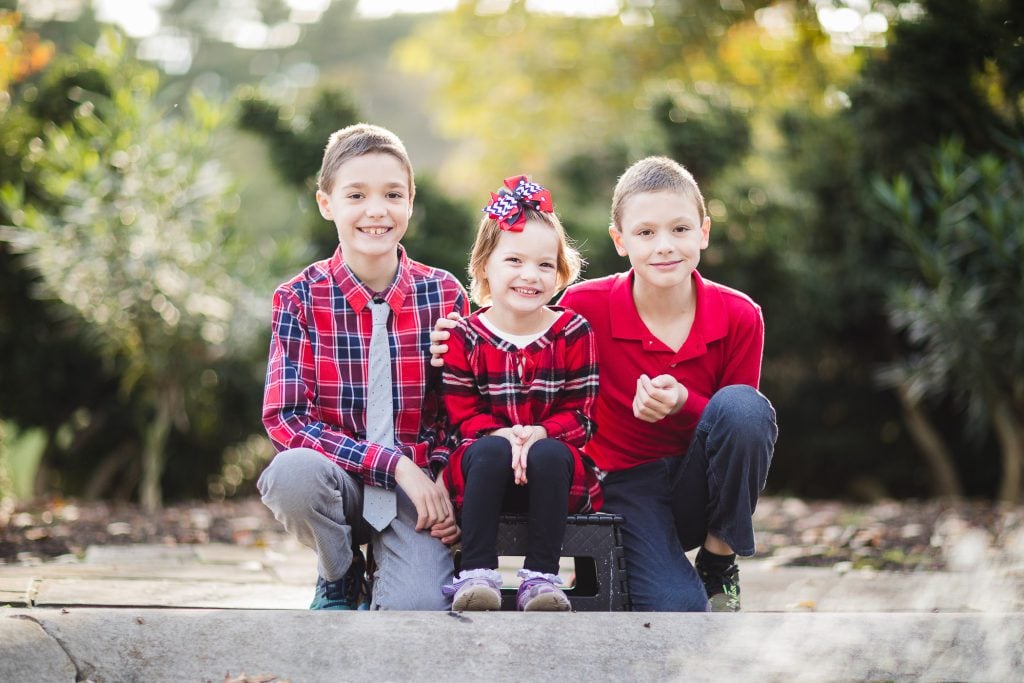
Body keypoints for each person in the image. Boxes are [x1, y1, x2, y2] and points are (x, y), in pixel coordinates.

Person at [433, 157, 777, 612]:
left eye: (680, 229)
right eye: (645, 232)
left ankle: (719, 559)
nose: (664, 246)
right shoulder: (583, 307)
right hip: (625, 487)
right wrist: (454, 334)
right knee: (678, 611)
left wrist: (683, 402)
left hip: (701, 488)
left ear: (704, 231)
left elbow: (740, 431)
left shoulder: (740, 315)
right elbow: (517, 316)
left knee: (745, 408)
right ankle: (628, 565)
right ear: (619, 240)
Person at [259, 123, 468, 611]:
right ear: (326, 203)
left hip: (416, 493)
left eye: (392, 194)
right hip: (340, 482)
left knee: (417, 612)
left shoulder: (444, 294)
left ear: (411, 202)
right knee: (291, 476)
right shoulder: (299, 298)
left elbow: (461, 409)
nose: (376, 210)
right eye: (356, 195)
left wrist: (447, 481)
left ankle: (398, 574)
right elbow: (287, 421)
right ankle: (341, 572)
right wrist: (393, 463)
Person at [440, 176, 602, 612]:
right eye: (514, 260)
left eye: (545, 265)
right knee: (489, 451)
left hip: (554, 477)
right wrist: (505, 436)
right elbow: (461, 415)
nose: (530, 275)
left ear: (560, 272)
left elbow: (582, 415)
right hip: (483, 473)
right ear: (484, 266)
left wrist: (538, 434)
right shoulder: (465, 336)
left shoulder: (573, 331)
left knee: (548, 454)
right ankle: (477, 573)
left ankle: (541, 579)